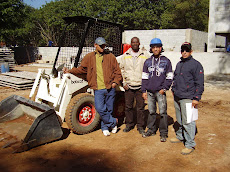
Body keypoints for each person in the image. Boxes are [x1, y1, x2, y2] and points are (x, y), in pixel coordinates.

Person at [63, 37, 122, 136]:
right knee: (100, 108)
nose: (103, 47)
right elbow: (82, 70)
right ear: (95, 45)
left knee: (109, 109)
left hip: (110, 88)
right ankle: (113, 122)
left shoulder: (110, 56)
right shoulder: (89, 57)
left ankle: (105, 127)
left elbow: (117, 72)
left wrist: (115, 83)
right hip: (98, 89)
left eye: (104, 45)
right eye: (101, 45)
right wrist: (70, 71)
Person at [171, 42, 204, 155]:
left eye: (186, 50)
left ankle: (190, 144)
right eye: (182, 50)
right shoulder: (179, 64)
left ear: (191, 51)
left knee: (188, 121)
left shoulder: (196, 65)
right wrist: (173, 89)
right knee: (180, 120)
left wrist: (196, 98)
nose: (184, 52)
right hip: (178, 96)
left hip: (189, 97)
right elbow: (175, 78)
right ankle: (180, 136)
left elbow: (199, 83)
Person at [141, 38, 173, 142]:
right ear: (151, 48)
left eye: (157, 47)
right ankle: (151, 129)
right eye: (153, 47)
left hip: (160, 91)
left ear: (160, 48)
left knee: (163, 112)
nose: (155, 49)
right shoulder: (147, 61)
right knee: (151, 112)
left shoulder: (166, 61)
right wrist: (143, 90)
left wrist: (164, 88)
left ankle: (163, 133)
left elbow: (169, 76)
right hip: (150, 92)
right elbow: (144, 77)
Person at [119, 37, 150, 134]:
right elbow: (121, 69)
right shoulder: (125, 55)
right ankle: (129, 124)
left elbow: (149, 69)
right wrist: (123, 82)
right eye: (133, 42)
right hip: (129, 86)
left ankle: (140, 126)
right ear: (131, 44)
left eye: (136, 42)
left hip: (140, 87)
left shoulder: (145, 55)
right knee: (128, 107)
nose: (135, 44)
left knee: (140, 107)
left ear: (139, 43)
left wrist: (146, 84)